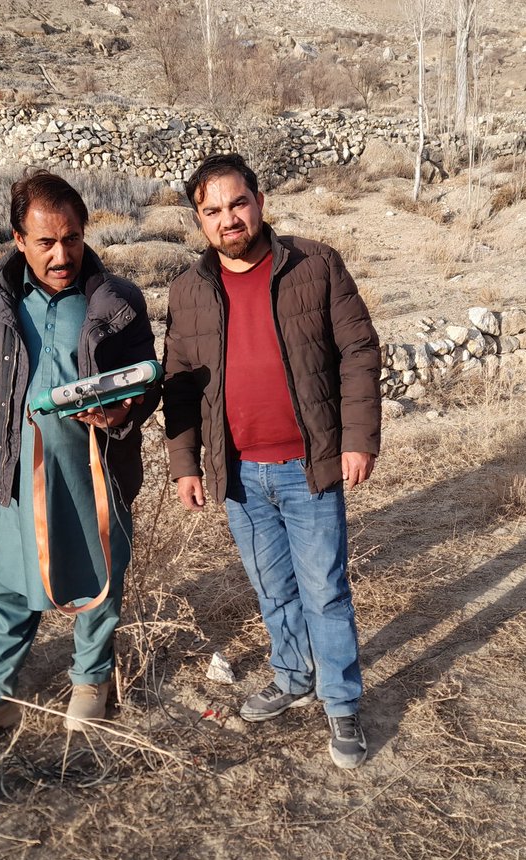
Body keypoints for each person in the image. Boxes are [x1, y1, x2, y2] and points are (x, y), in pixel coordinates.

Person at [162, 153, 381, 769]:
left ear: (259, 201)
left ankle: (341, 704)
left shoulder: (315, 264)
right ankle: (292, 676)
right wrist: (185, 463)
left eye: (237, 203)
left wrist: (358, 438)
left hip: (307, 465)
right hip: (238, 477)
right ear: (199, 221)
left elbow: (359, 351)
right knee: (273, 588)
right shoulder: (189, 289)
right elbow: (178, 382)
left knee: (325, 591)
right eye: (212, 211)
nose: (228, 218)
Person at [0, 170, 159, 754]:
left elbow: (145, 376)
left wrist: (123, 414)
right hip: (18, 468)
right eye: (45, 241)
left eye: (72, 238)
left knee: (100, 574)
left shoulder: (118, 299)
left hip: (96, 468)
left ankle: (91, 681)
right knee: (6, 584)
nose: (61, 254)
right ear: (18, 238)